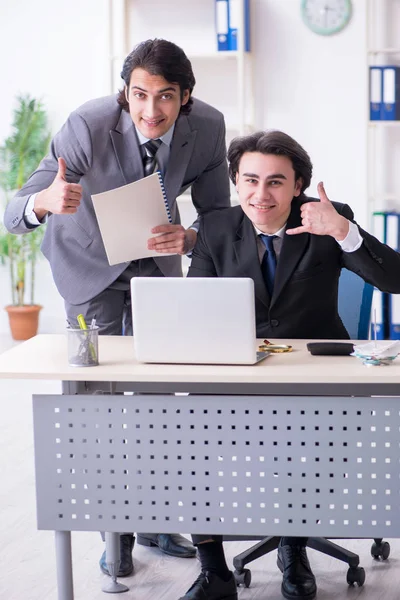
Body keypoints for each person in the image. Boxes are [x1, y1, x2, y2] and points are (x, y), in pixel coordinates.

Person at [4, 39, 231, 577]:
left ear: (187, 98)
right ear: (125, 93)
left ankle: (152, 521)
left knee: (158, 400)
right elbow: (15, 212)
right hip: (88, 266)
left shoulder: (209, 129)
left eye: (165, 97)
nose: (151, 111)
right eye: (139, 95)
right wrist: (45, 201)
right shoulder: (87, 125)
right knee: (100, 405)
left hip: (155, 262)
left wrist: (192, 235)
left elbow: (219, 213)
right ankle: (116, 532)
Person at [183, 129, 400, 600]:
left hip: (313, 377)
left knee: (314, 441)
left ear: (298, 184)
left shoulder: (327, 219)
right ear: (236, 182)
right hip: (236, 376)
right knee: (185, 433)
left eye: (276, 182)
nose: (261, 195)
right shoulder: (216, 227)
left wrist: (342, 232)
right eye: (250, 181)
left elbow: (395, 279)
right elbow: (193, 306)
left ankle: (293, 547)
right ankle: (213, 570)